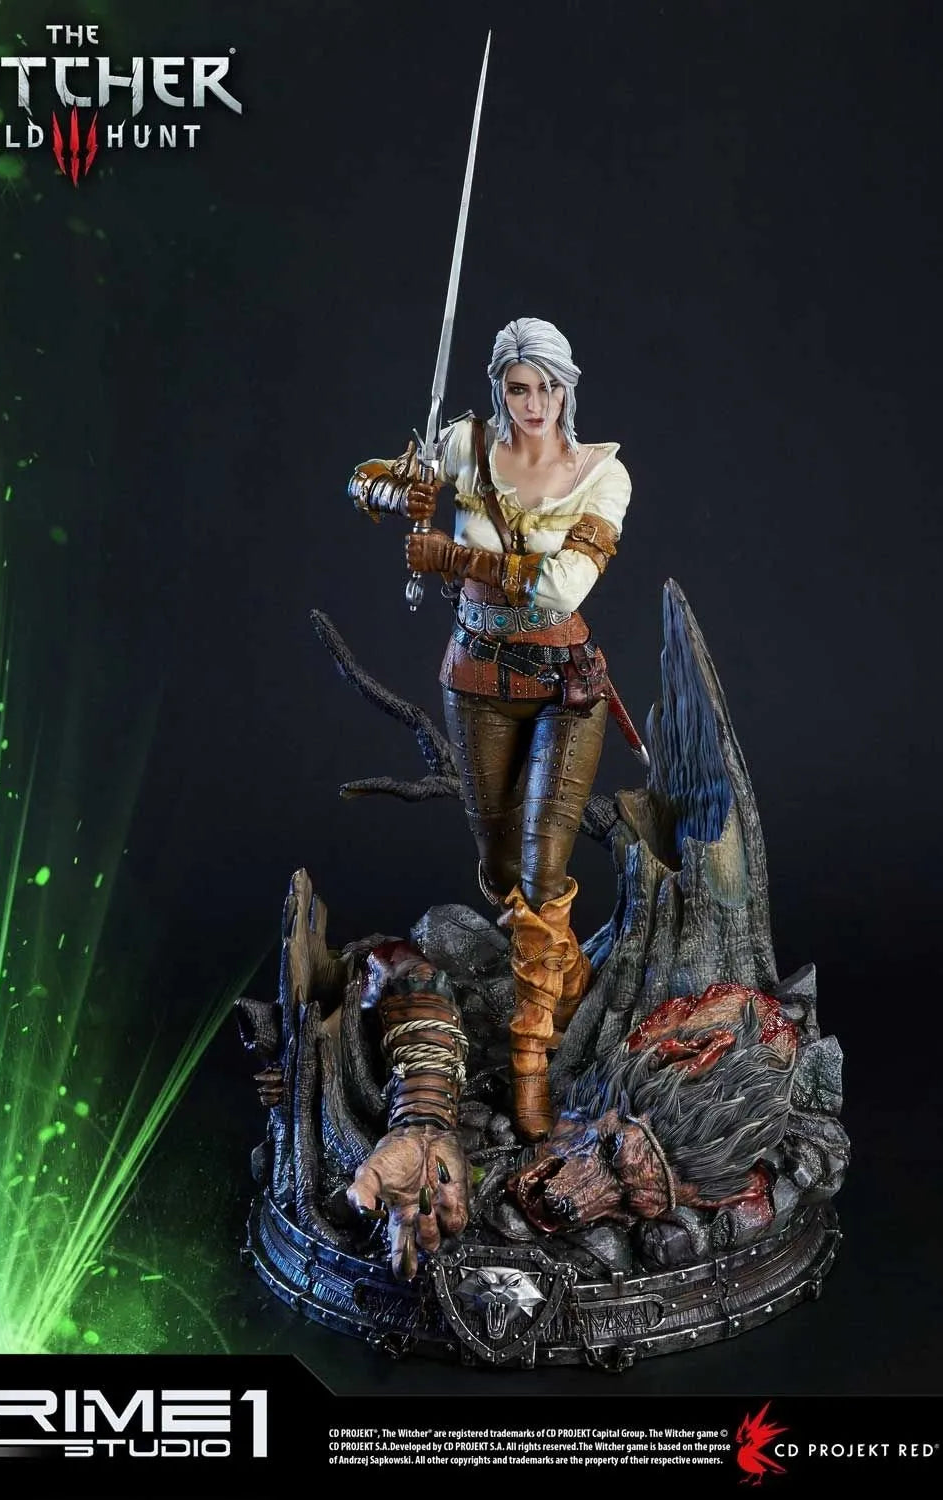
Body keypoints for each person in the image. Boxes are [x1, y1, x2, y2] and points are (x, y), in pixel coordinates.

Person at [346, 316, 631, 1270]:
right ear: (499, 388)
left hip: (564, 685)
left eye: (547, 387)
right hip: (474, 676)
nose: (533, 403)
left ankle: (531, 1064)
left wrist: (454, 556)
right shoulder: (464, 445)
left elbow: (560, 587)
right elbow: (364, 484)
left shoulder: (602, 474)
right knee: (502, 870)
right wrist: (393, 490)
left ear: (567, 389)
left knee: (546, 868)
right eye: (518, 387)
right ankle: (571, 982)